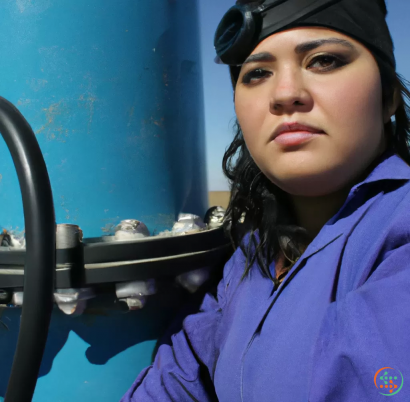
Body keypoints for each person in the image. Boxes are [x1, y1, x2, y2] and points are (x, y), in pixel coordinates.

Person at [121, 0, 410, 400]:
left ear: (390, 96)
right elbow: (174, 383)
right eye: (256, 73)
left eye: (324, 60)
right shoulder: (247, 260)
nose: (285, 94)